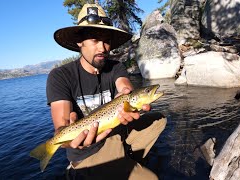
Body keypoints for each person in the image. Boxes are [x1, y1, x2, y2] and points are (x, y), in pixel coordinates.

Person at [47, 3, 166, 179]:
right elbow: (61, 128)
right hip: (88, 154)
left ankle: (124, 161)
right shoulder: (60, 76)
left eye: (106, 41)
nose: (102, 48)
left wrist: (126, 92)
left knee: (159, 119)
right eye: (95, 40)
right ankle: (82, 171)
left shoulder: (115, 67)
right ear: (80, 42)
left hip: (115, 136)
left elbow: (124, 87)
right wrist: (68, 142)